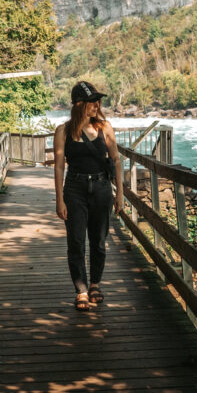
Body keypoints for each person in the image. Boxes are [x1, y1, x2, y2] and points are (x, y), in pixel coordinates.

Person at [53, 81, 123, 311]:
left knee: (99, 242)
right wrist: (59, 199)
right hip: (74, 189)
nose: (97, 104)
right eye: (92, 101)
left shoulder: (105, 127)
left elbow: (116, 160)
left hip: (102, 189)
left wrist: (119, 194)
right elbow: (59, 167)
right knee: (75, 242)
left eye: (98, 101)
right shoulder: (63, 131)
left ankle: (95, 284)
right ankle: (81, 290)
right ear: (79, 104)